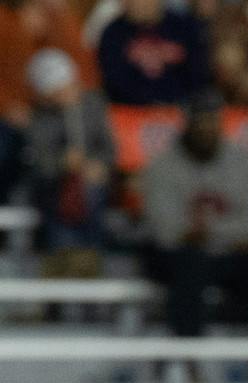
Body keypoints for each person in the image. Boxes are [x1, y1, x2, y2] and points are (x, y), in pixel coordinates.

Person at [140, 90, 248, 340]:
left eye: (211, 120)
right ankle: (187, 357)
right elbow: (167, 230)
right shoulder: (162, 165)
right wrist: (225, 234)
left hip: (233, 254)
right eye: (200, 120)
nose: (206, 127)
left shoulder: (244, 161)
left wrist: (209, 232)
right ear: (188, 123)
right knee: (188, 265)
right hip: (183, 256)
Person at [22, 47, 113, 274]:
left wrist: (98, 165)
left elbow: (108, 149)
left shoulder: (92, 105)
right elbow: (41, 164)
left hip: (91, 186)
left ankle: (88, 259)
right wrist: (63, 164)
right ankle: (67, 260)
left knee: (90, 189)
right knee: (63, 195)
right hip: (55, 189)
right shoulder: (39, 119)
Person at [0, 0, 95, 206]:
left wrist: (53, 24)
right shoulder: (5, 20)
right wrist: (7, 107)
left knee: (77, 145)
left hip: (52, 115)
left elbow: (82, 77)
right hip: (10, 118)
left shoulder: (61, 20)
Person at [96, 0, 210, 107]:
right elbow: (115, 83)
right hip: (130, 113)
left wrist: (171, 104)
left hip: (183, 110)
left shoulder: (186, 27)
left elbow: (199, 76)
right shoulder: (112, 34)